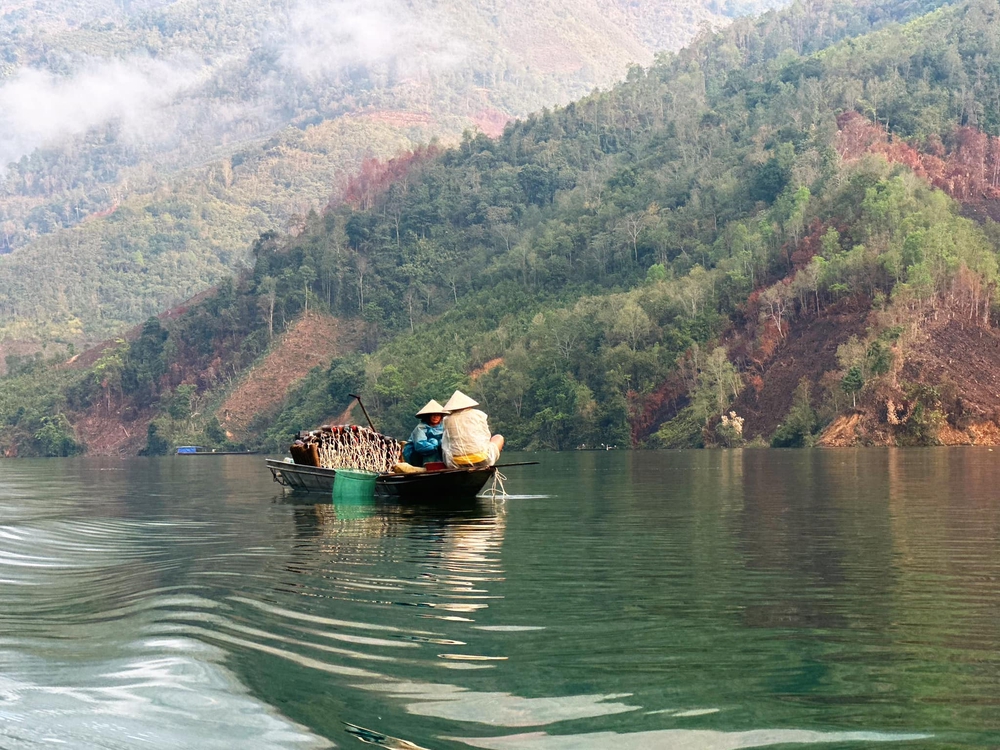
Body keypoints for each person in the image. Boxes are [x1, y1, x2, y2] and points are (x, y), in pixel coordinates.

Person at [441, 390, 504, 469]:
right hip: (482, 459)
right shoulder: (479, 414)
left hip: (455, 462)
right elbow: (486, 435)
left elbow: (446, 442)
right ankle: (489, 462)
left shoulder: (446, 419)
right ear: (468, 405)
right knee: (498, 437)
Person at [402, 400, 448, 467]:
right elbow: (420, 445)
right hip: (416, 456)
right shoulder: (420, 428)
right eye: (433, 415)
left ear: (441, 416)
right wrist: (435, 447)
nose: (435, 417)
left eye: (437, 415)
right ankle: (429, 467)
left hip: (439, 455)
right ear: (428, 416)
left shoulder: (443, 427)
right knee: (433, 441)